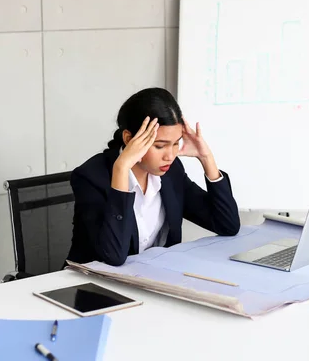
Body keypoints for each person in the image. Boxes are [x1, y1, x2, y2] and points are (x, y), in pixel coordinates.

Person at [66, 87, 241, 266]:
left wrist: (206, 158)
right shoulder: (90, 177)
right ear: (128, 139)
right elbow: (114, 256)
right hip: (92, 285)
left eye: (175, 144)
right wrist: (121, 169)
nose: (170, 156)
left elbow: (227, 225)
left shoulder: (170, 172)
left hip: (152, 277)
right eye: (159, 146)